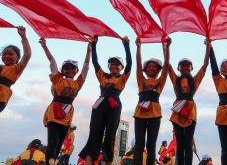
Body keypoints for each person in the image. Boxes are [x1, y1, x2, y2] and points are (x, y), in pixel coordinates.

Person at [79, 36, 132, 165]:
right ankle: (89, 160)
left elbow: (130, 63)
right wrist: (95, 45)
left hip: (114, 105)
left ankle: (108, 161)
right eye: (112, 64)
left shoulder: (123, 77)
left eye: (117, 65)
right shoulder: (102, 75)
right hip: (101, 103)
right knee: (95, 132)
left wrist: (126, 45)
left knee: (110, 134)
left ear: (121, 67)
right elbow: (95, 62)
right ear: (109, 66)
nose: (114, 66)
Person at [39, 38, 91, 165]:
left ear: (76, 71)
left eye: (72, 68)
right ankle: (49, 162)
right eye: (66, 68)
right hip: (55, 110)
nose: (69, 70)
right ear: (63, 70)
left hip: (67, 113)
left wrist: (89, 50)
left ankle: (51, 162)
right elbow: (52, 62)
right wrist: (45, 47)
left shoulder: (78, 82)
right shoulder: (57, 79)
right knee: (53, 141)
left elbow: (86, 67)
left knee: (59, 143)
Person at [169, 39, 210, 165]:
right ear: (179, 68)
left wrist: (208, 47)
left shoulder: (195, 80)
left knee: (188, 144)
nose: (185, 67)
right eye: (182, 65)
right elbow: (167, 65)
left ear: (191, 68)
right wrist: (166, 46)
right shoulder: (176, 79)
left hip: (190, 111)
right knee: (180, 144)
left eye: (187, 65)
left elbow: (205, 65)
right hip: (177, 111)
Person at [133, 37, 171, 165]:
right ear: (145, 69)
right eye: (149, 66)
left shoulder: (160, 81)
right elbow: (138, 65)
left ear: (158, 69)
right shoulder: (141, 80)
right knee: (139, 143)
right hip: (140, 113)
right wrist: (138, 47)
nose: (151, 68)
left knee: (151, 143)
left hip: (155, 113)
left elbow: (166, 65)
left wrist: (167, 48)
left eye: (154, 67)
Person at [0, 26, 31, 112]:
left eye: (10, 54)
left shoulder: (16, 68)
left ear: (18, 58)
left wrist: (23, 37)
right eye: (4, 54)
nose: (6, 56)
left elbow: (27, 54)